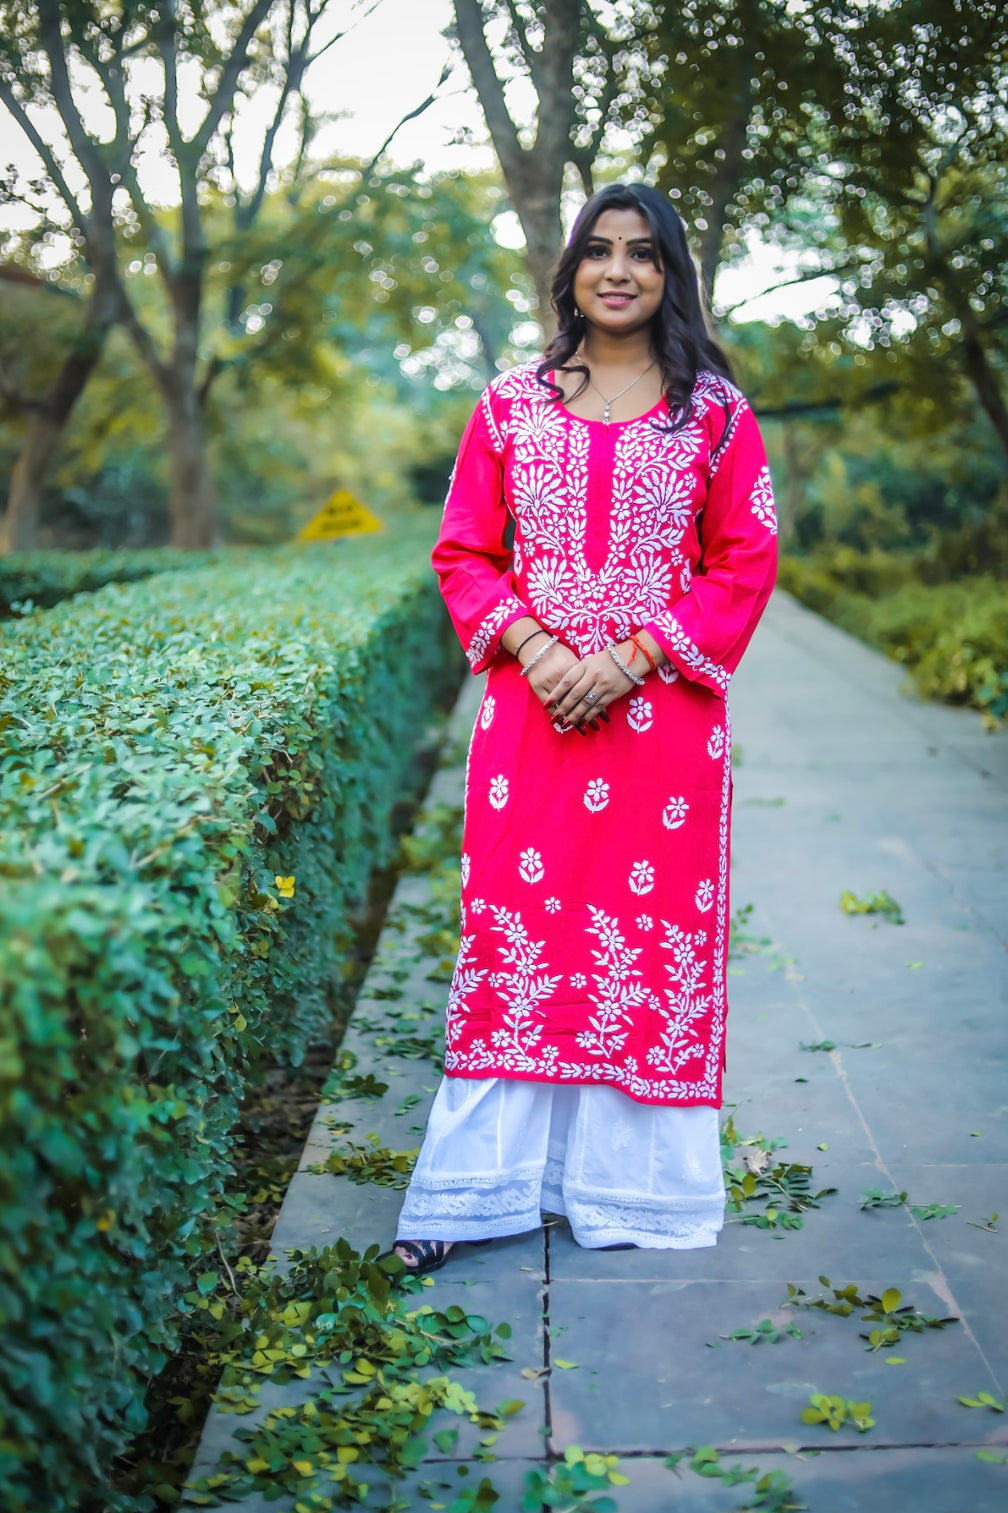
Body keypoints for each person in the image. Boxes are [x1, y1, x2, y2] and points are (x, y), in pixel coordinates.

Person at [392, 182, 778, 1275]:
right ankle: (475, 1193)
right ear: (569, 271)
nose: (618, 270)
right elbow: (464, 550)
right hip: (532, 718)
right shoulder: (508, 406)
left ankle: (627, 1190)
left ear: (670, 275)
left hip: (663, 729)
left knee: (638, 937)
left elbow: (743, 560)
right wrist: (541, 649)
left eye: (643, 253)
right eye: (599, 250)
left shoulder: (714, 415)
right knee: (518, 935)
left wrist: (627, 659)